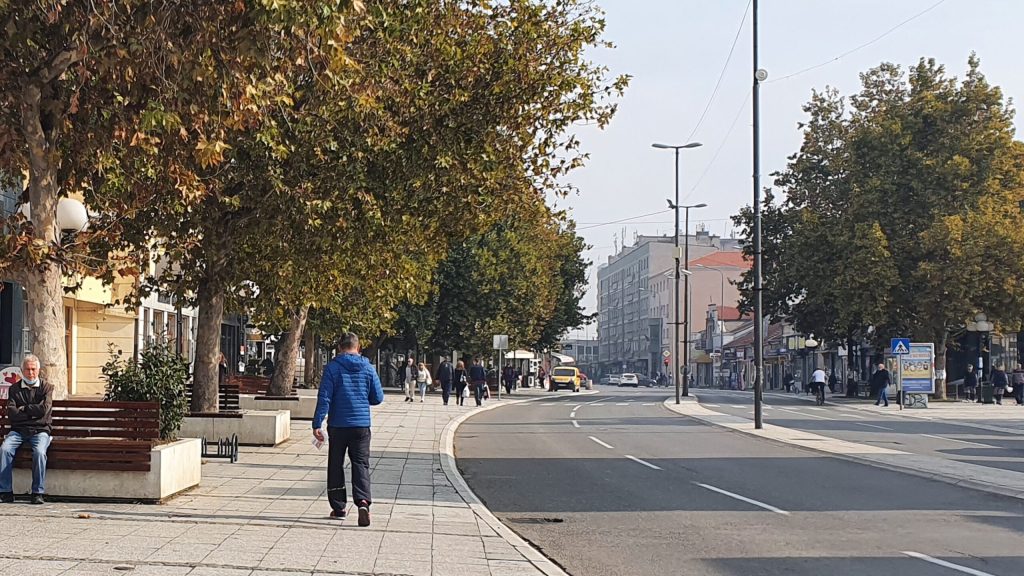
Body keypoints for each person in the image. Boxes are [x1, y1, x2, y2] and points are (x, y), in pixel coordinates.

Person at [312, 333, 384, 525]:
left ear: (339, 347)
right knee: (361, 464)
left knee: (336, 464)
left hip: (338, 424)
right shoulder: (368, 368)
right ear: (358, 347)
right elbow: (377, 397)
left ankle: (339, 507)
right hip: (361, 425)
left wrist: (317, 423)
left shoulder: (332, 368)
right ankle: (363, 502)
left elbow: (324, 398)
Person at [0, 355, 53, 505]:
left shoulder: (46, 387)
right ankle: (5, 492)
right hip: (18, 430)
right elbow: (12, 413)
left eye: (33, 369)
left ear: (38, 370)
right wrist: (32, 413)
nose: (31, 373)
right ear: (22, 371)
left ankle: (37, 493)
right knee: (4, 450)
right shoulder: (14, 389)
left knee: (40, 453)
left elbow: (44, 411)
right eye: (27, 369)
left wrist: (23, 409)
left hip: (40, 430)